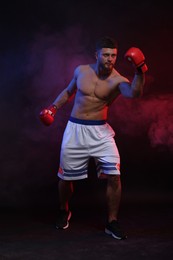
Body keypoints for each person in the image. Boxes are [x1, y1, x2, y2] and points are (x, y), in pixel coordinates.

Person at [39, 36, 148, 240]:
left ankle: (112, 222)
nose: (110, 59)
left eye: (114, 55)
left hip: (100, 132)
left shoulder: (118, 80)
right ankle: (64, 210)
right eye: (106, 55)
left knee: (115, 175)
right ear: (97, 55)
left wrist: (140, 69)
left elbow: (134, 93)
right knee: (64, 178)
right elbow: (68, 91)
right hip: (75, 129)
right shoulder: (81, 70)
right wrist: (53, 108)